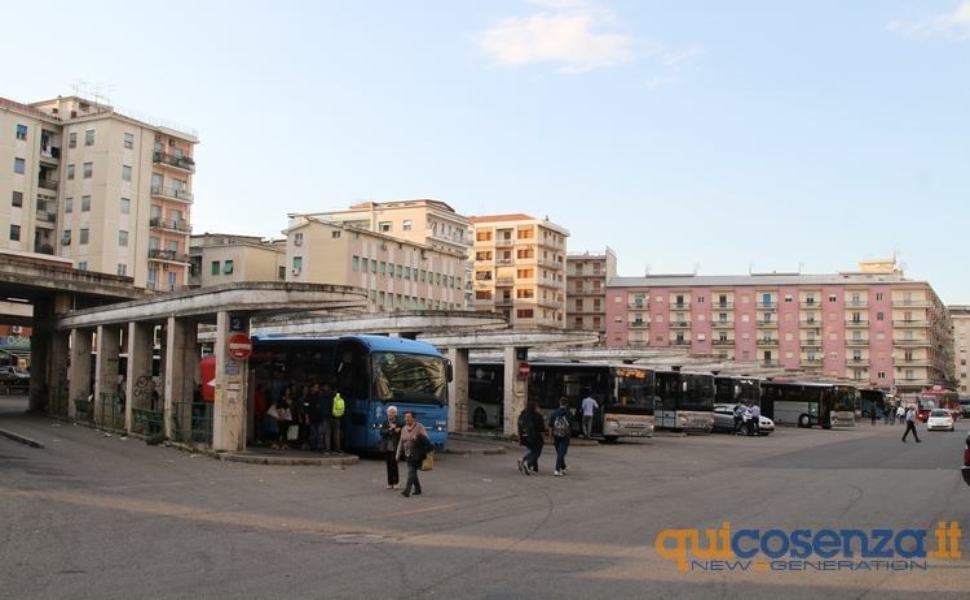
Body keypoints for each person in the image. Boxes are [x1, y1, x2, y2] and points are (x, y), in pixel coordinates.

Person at [397, 411, 431, 497]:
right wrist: (397, 454)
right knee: (413, 472)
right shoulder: (404, 428)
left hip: (417, 453)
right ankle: (418, 489)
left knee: (411, 471)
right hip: (407, 453)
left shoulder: (419, 426)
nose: (406, 419)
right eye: (405, 417)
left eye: (408, 417)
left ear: (413, 418)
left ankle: (407, 490)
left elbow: (426, 438)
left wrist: (417, 437)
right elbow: (401, 442)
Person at [517, 401, 546, 475]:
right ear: (534, 408)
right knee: (536, 453)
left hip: (526, 437)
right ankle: (527, 463)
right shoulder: (538, 416)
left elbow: (519, 427)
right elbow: (542, 430)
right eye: (537, 407)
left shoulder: (523, 415)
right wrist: (543, 439)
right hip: (536, 437)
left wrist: (520, 438)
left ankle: (524, 461)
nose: (538, 408)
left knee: (532, 451)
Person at [548, 397, 572, 477]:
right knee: (561, 453)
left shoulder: (554, 413)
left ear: (559, 403)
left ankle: (564, 467)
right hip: (565, 436)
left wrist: (550, 436)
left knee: (559, 453)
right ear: (567, 404)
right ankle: (557, 470)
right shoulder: (569, 413)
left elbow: (550, 425)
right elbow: (571, 425)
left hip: (556, 435)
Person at [380, 405, 402, 489]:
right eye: (389, 412)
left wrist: (396, 429)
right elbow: (381, 432)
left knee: (394, 464)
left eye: (393, 412)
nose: (391, 414)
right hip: (387, 446)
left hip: (395, 446)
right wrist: (390, 430)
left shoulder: (399, 421)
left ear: (395, 413)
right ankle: (390, 482)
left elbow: (401, 430)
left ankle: (396, 482)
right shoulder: (385, 421)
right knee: (388, 464)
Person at [305, 383, 325, 452]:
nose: (316, 389)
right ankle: (313, 446)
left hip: (320, 417)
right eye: (315, 387)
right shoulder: (308, 397)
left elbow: (321, 406)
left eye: (317, 387)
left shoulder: (319, 396)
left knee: (320, 433)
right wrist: (307, 417)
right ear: (311, 388)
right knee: (313, 433)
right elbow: (306, 407)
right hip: (312, 417)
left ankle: (320, 447)